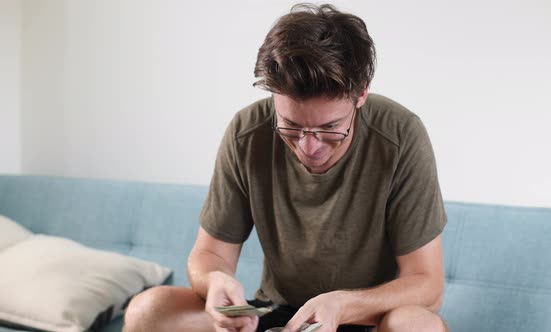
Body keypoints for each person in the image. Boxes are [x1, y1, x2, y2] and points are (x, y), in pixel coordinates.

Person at [124, 3, 448, 332]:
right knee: (148, 311)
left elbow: (428, 286)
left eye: (330, 128)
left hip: (367, 318)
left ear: (361, 93)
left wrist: (342, 303)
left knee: (413, 323)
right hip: (278, 314)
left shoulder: (400, 134)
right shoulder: (246, 132)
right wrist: (216, 281)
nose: (308, 146)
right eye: (291, 126)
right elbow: (210, 253)